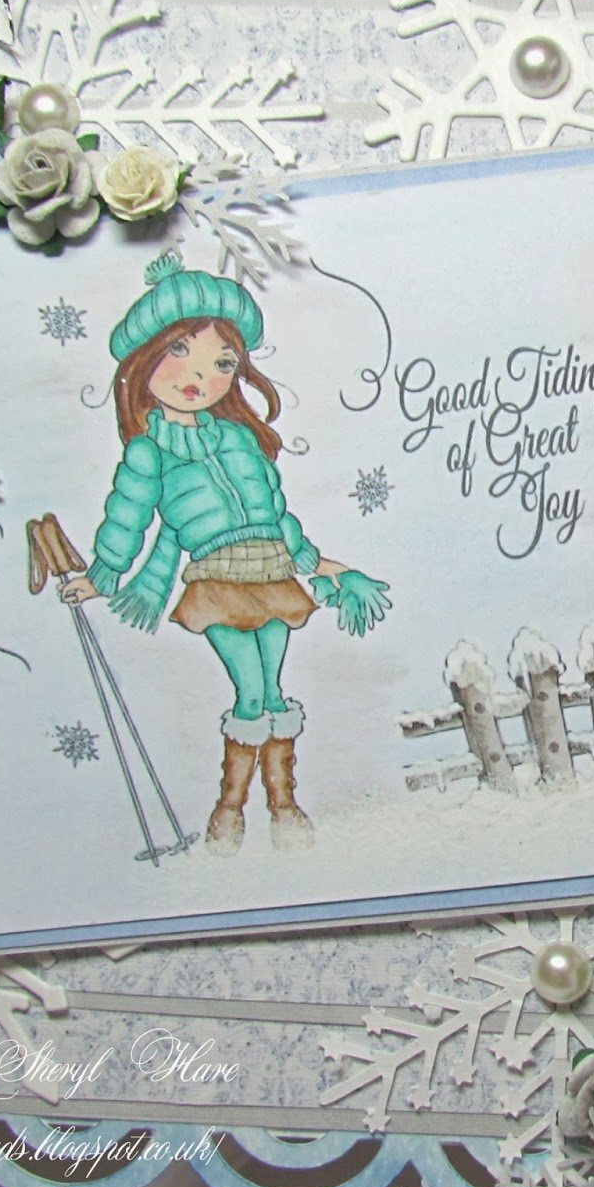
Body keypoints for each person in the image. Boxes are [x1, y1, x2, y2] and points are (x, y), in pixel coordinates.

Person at [60, 253, 389, 856]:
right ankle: (234, 809)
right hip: (216, 580)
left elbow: (276, 514)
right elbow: (129, 515)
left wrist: (320, 565)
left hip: (273, 573)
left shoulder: (239, 437)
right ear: (144, 361)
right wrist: (102, 576)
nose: (199, 374)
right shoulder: (148, 450)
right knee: (251, 694)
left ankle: (279, 805)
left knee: (275, 693)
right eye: (179, 351)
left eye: (222, 362)